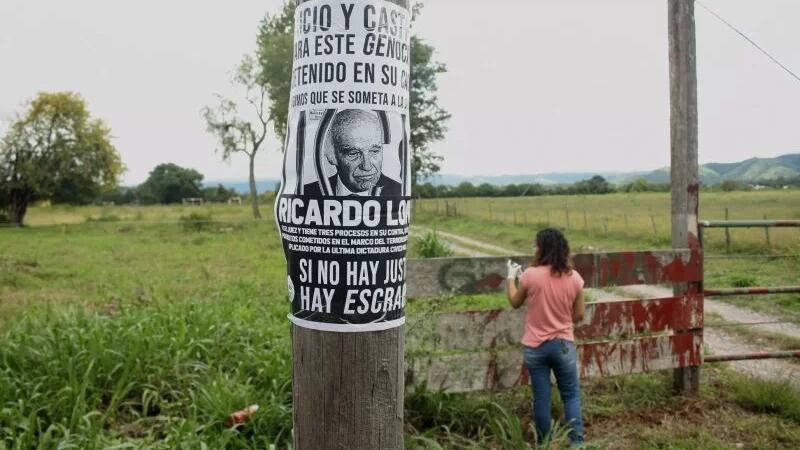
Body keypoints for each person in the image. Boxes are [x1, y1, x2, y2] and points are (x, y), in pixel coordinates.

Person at [506, 228, 586, 448]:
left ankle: (544, 443)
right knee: (570, 395)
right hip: (563, 345)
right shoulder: (574, 278)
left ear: (541, 248)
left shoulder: (530, 275)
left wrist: (510, 278)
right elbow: (579, 315)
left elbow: (514, 302)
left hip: (535, 347)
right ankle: (577, 443)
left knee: (541, 398)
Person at [303, 109, 402, 197]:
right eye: (353, 153)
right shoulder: (307, 193)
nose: (367, 167)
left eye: (374, 151)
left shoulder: (399, 191)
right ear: (331, 155)